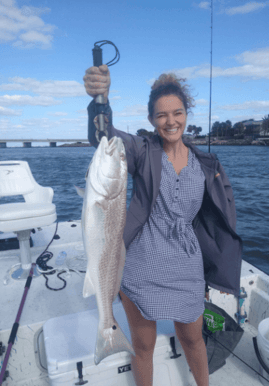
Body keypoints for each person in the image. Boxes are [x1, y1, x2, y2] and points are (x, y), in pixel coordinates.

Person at [83, 65, 243, 386]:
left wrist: (215, 267)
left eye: (178, 113)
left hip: (186, 266)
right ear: (151, 120)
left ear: (187, 114)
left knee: (193, 340)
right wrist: (101, 99)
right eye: (161, 115)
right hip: (141, 264)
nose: (171, 121)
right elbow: (103, 136)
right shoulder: (144, 151)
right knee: (143, 346)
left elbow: (215, 221)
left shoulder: (205, 163)